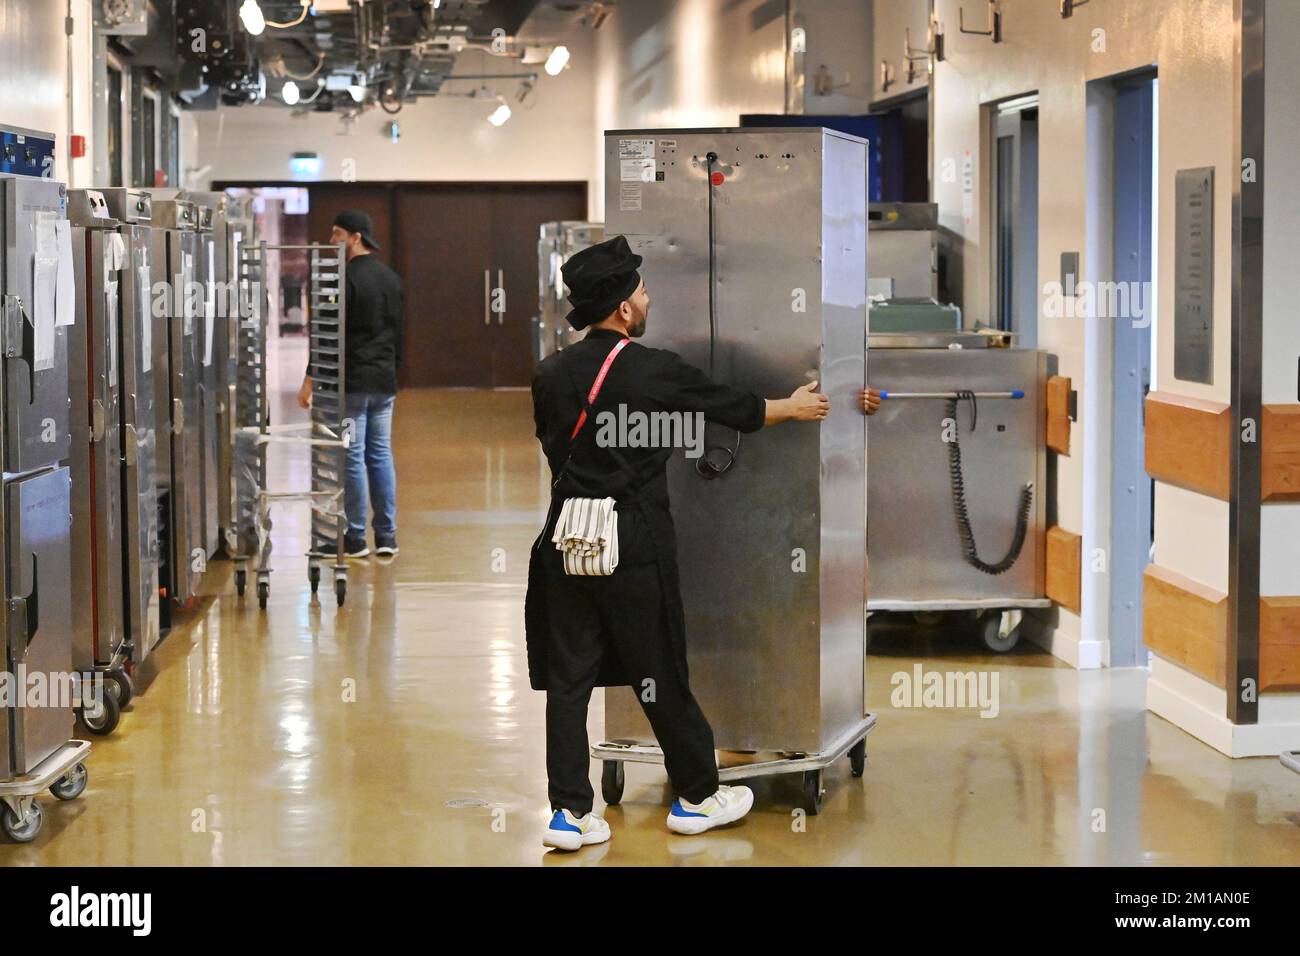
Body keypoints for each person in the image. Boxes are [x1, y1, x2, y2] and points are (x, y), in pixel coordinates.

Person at [527, 235, 880, 851]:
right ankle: (696, 795)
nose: (648, 295)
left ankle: (569, 813)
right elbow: (731, 407)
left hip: (568, 533)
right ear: (623, 309)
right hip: (632, 537)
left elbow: (558, 442)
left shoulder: (550, 374)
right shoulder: (651, 368)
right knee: (658, 666)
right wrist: (792, 408)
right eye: (640, 289)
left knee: (570, 675)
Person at [298, 210, 404, 558]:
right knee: (380, 454)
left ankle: (356, 538)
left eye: (337, 233)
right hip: (383, 382)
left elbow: (327, 337)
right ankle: (387, 537)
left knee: (354, 457)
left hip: (353, 384)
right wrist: (393, 372)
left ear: (356, 236)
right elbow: (399, 334)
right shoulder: (391, 278)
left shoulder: (343, 280)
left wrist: (310, 380)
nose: (333, 241)